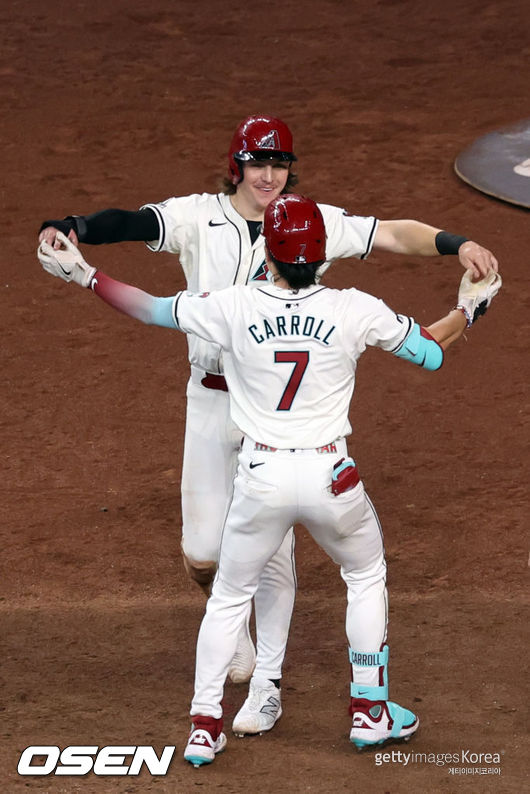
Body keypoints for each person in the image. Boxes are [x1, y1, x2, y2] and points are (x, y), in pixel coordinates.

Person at [37, 115, 499, 735]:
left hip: (273, 425)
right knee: (204, 555)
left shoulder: (309, 220)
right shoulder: (200, 216)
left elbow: (392, 233)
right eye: (258, 163)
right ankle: (289, 663)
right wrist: (77, 227)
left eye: (279, 163)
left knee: (272, 562)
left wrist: (455, 241)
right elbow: (131, 221)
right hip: (213, 403)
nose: (269, 174)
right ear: (237, 166)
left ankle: (265, 685)